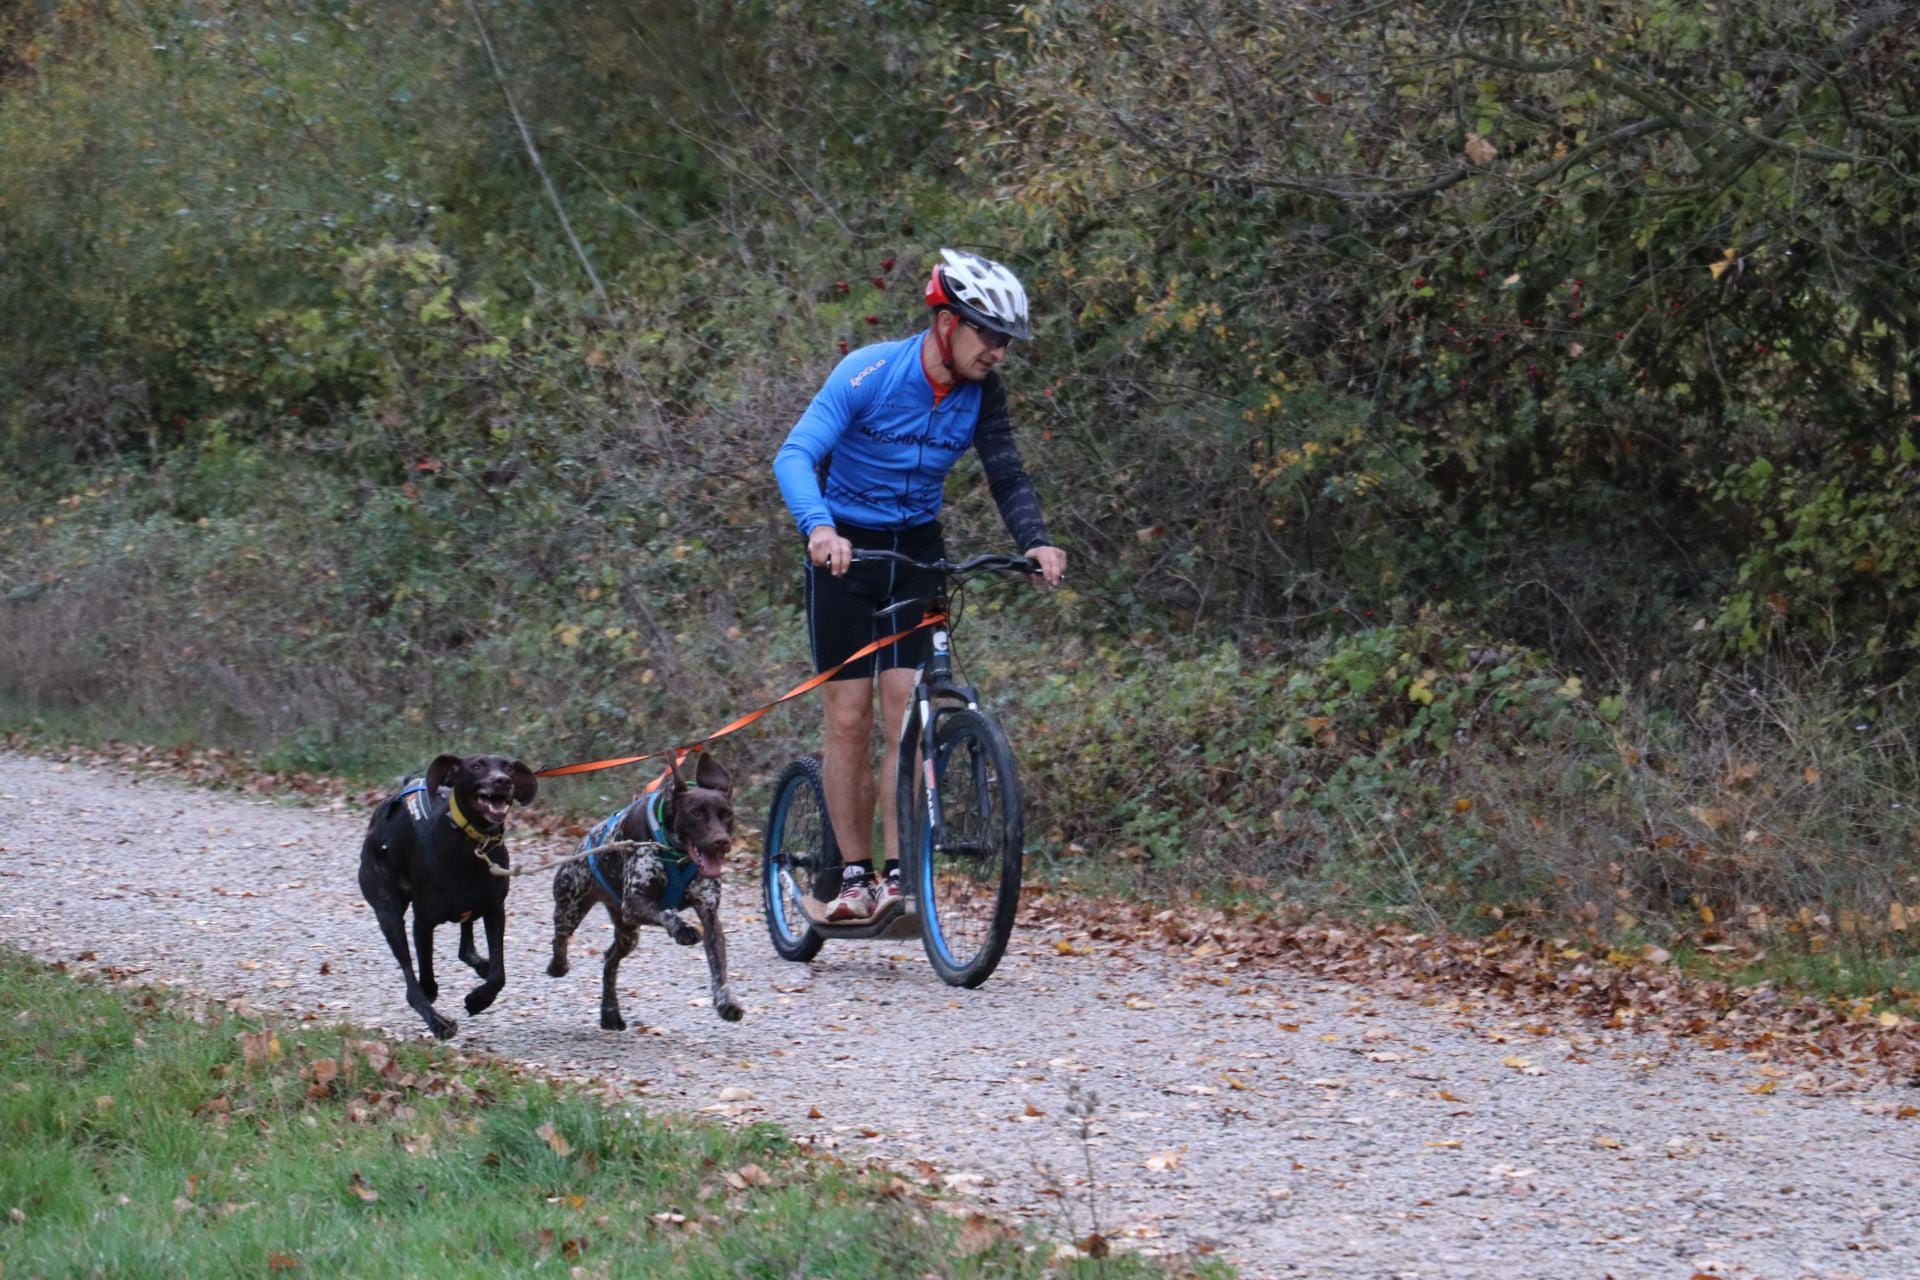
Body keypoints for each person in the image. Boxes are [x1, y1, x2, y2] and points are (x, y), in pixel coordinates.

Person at [773, 248, 1067, 923]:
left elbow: (1006, 472)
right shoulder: (870, 372)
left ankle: (905, 879)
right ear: (945, 321)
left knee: (907, 718)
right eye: (989, 335)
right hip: (844, 552)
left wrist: (1036, 539)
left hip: (917, 553)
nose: (998, 352)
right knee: (850, 719)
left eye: (1006, 340)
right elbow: (795, 454)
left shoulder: (982, 393)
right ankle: (851, 875)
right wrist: (819, 528)